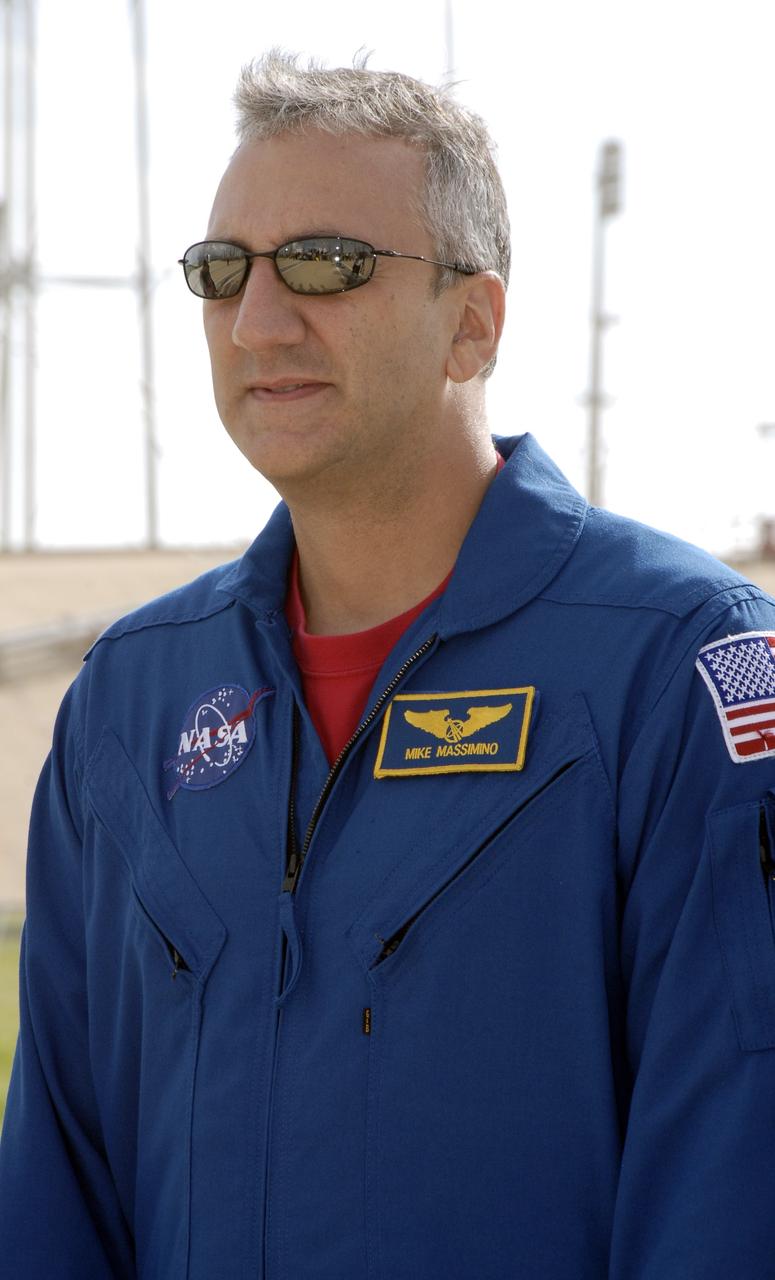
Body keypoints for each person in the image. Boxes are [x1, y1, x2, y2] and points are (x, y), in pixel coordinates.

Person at [2, 50, 775, 1280]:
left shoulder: (679, 667)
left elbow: (733, 1180)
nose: (259, 319)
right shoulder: (129, 706)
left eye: (325, 263)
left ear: (473, 320)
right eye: (221, 273)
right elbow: (55, 1182)